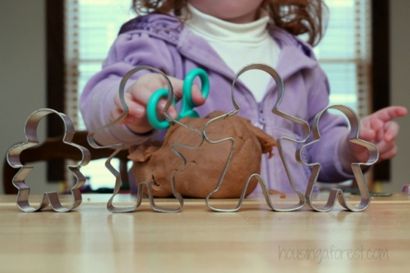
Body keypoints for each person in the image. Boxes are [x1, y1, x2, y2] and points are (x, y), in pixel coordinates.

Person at [80, 0, 407, 194]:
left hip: (288, 237)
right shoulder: (153, 42)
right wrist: (127, 99)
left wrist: (348, 147)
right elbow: (100, 112)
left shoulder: (300, 61)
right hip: (180, 240)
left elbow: (314, 147)